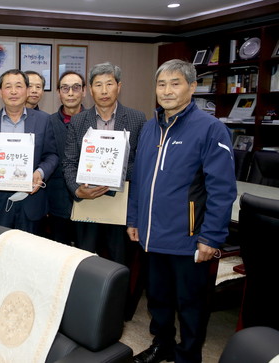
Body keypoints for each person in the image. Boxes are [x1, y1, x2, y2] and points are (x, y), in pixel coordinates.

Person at [128, 59, 236, 363]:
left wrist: (210, 238)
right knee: (158, 300)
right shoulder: (150, 127)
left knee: (190, 304)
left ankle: (189, 356)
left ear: (192, 87)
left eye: (175, 83)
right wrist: (134, 219)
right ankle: (162, 344)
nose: (167, 90)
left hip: (188, 239)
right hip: (151, 235)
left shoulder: (210, 129)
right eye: (161, 84)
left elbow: (222, 190)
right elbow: (139, 180)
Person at [62, 62, 146, 265]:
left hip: (121, 203)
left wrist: (115, 172)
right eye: (98, 85)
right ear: (90, 90)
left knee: (119, 262)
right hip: (88, 202)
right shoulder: (79, 121)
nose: (104, 90)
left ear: (119, 86)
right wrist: (77, 190)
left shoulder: (137, 118)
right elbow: (69, 162)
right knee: (85, 262)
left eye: (109, 84)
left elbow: (142, 163)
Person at [0, 69, 58, 234]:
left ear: (27, 91)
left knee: (29, 254)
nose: (13, 91)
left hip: (31, 198)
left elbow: (52, 155)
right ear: (0, 92)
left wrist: (40, 172)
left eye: (18, 86)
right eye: (8, 87)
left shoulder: (44, 121)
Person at [45, 71, 86, 244]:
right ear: (58, 93)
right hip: (57, 202)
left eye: (76, 88)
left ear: (84, 91)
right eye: (65, 88)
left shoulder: (96, 121)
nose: (70, 93)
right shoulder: (47, 122)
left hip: (89, 201)